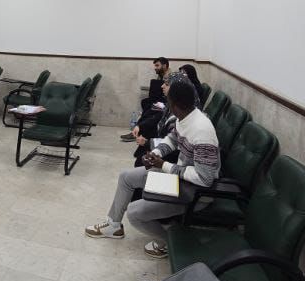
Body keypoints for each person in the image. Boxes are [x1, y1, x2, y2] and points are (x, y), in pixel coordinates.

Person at [84, 78, 220, 259]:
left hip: (196, 192)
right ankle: (113, 226)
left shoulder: (202, 131)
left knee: (134, 213)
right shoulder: (185, 116)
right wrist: (155, 153)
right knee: (126, 177)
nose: (166, 103)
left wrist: (163, 165)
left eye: (168, 101)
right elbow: (172, 140)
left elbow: (205, 178)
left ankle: (169, 243)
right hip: (180, 178)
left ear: (175, 104)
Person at [122, 57, 173, 142]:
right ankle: (139, 130)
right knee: (146, 103)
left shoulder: (171, 77)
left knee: (151, 108)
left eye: (157, 65)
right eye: (155, 66)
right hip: (160, 101)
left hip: (168, 104)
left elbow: (170, 95)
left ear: (164, 66)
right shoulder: (161, 76)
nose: (155, 68)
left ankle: (139, 131)